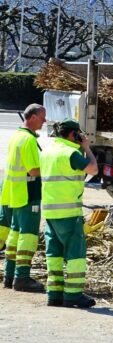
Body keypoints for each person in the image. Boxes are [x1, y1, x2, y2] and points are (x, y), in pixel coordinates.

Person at [40, 118, 98, 308]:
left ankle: (54, 294)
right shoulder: (70, 153)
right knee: (75, 254)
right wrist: (86, 148)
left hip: (50, 212)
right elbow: (93, 169)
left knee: (54, 254)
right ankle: (73, 295)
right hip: (69, 213)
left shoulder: (47, 151)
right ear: (74, 134)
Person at [1, 103, 46, 292]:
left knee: (15, 236)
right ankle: (22, 278)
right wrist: (52, 167)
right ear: (33, 117)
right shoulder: (28, 140)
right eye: (42, 117)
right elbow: (34, 170)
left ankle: (9, 276)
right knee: (28, 237)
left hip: (16, 194)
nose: (44, 121)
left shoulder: (17, 136)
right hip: (29, 194)